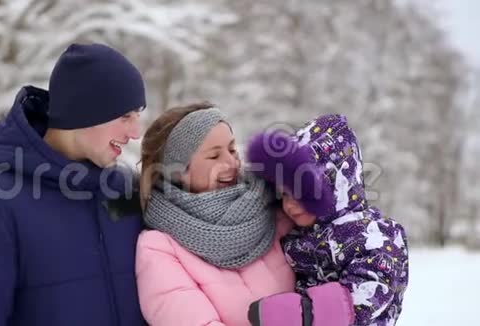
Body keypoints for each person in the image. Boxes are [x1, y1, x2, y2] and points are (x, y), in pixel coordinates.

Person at [0, 43, 148, 326]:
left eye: (138, 115)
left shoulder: (128, 193)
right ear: (85, 111)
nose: (136, 133)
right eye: (125, 116)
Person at [135, 103, 296, 326]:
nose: (231, 163)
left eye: (231, 150)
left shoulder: (274, 206)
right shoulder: (159, 248)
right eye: (214, 157)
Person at [246, 113, 409, 326]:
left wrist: (296, 314)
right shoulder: (296, 236)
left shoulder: (374, 235)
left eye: (302, 193)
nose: (290, 205)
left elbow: (366, 296)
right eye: (284, 194)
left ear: (334, 187)